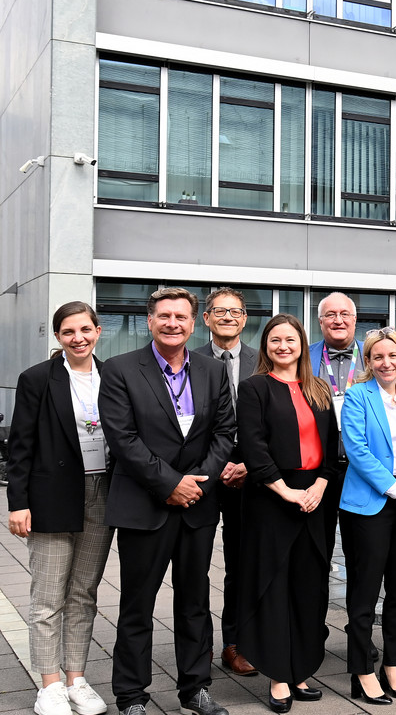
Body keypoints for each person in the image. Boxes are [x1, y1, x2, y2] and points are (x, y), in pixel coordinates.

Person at [99, 287, 236, 715]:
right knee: (137, 605)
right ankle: (131, 695)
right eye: (164, 316)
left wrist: (198, 483)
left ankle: (195, 688)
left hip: (197, 506)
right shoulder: (121, 370)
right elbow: (123, 439)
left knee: (195, 602)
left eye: (181, 316)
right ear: (150, 321)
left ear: (194, 323)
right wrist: (171, 483)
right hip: (145, 505)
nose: (173, 323)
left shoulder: (213, 371)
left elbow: (224, 433)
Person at [7, 302, 113, 715]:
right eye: (68, 332)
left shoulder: (115, 376)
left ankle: (77, 678)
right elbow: (20, 446)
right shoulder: (37, 379)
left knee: (84, 593)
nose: (78, 338)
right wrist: (18, 504)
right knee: (48, 596)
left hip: (103, 491)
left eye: (85, 329)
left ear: (98, 331)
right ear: (58, 337)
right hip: (52, 495)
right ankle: (49, 684)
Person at [235, 314, 338, 713]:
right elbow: (254, 448)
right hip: (271, 498)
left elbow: (333, 450)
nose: (283, 346)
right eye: (275, 340)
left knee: (308, 585)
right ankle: (279, 675)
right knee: (274, 586)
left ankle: (300, 668)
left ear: (301, 345)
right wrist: (286, 491)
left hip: (315, 498)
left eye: (290, 339)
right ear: (266, 347)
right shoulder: (254, 388)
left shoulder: (319, 389)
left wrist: (318, 487)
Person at [339, 328, 396, 705]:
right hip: (370, 504)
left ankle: (391, 665)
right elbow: (356, 450)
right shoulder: (358, 396)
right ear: (368, 362)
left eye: (392, 355)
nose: (386, 362)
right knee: (364, 592)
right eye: (378, 357)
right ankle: (362, 671)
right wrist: (395, 489)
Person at [194, 287, 260, 677]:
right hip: (203, 473)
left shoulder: (261, 359)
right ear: (206, 318)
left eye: (235, 311)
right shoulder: (190, 359)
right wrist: (215, 465)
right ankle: (196, 647)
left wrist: (250, 464)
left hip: (248, 475)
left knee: (242, 563)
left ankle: (235, 643)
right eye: (219, 311)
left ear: (245, 318)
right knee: (195, 563)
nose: (228, 317)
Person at [310, 291, 361, 560]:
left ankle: (360, 604)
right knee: (317, 549)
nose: (338, 320)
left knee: (360, 550)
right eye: (330, 315)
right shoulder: (302, 359)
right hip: (318, 470)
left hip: (362, 471)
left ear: (355, 319)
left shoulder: (374, 357)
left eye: (344, 314)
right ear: (320, 322)